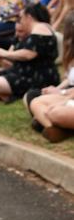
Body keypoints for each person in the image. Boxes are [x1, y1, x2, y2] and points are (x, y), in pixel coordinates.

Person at [25, 11, 74, 142]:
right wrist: (61, 92)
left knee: (54, 112)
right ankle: (56, 129)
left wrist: (63, 96)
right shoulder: (70, 56)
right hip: (70, 94)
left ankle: (57, 125)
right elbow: (69, 81)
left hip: (70, 96)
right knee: (35, 101)